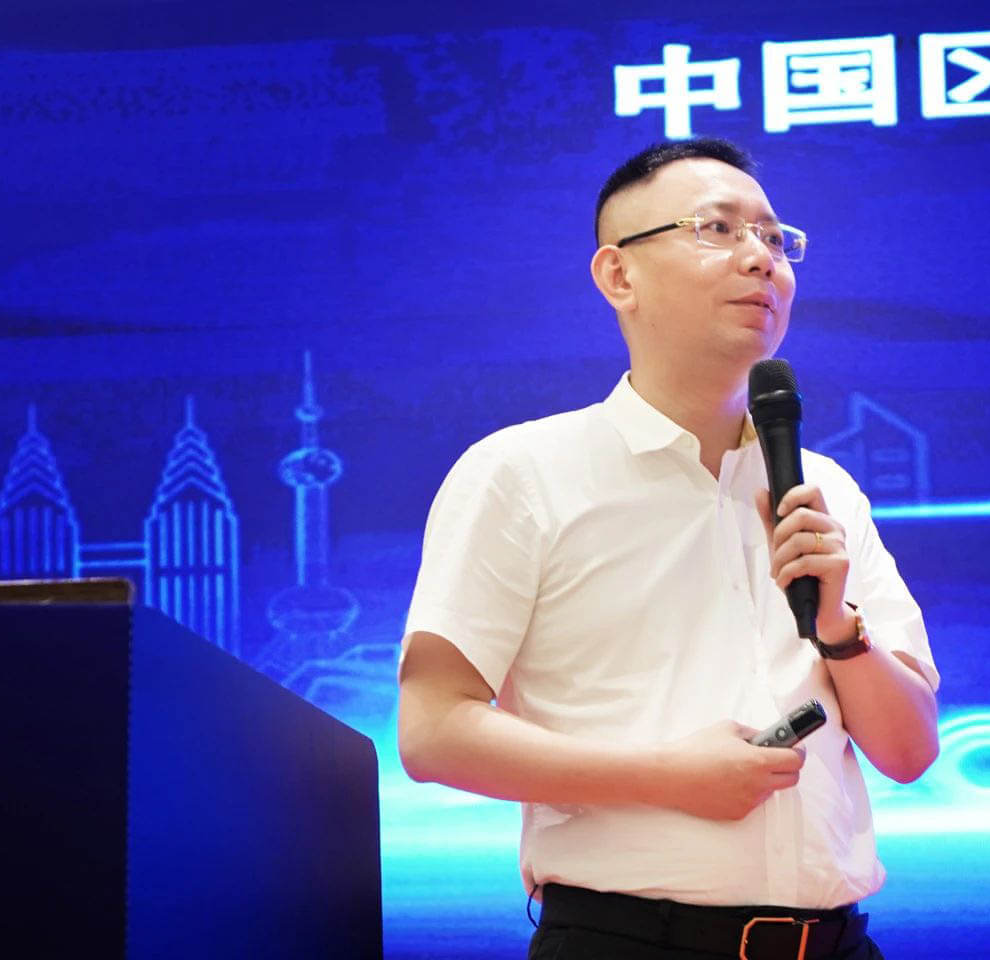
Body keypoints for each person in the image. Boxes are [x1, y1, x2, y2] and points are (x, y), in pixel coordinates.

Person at [397, 138, 939, 960]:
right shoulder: (522, 471)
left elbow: (909, 751)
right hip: (627, 941)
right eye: (717, 229)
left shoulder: (825, 488)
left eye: (774, 237)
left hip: (835, 943)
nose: (760, 259)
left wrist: (839, 629)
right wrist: (666, 776)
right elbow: (434, 732)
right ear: (619, 275)